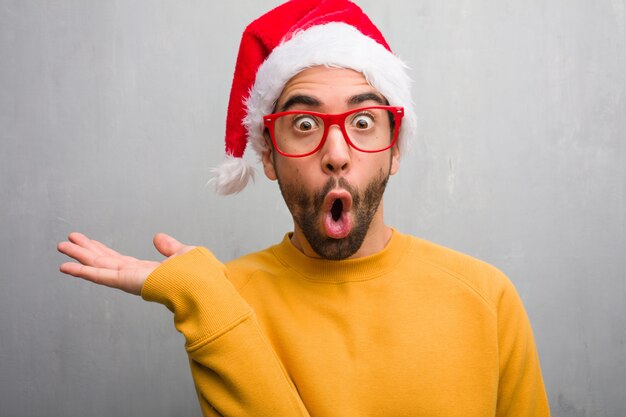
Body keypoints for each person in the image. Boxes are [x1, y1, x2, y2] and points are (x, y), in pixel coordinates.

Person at [57, 0, 550, 416]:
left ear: (395, 147)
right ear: (268, 154)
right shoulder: (223, 301)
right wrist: (204, 303)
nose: (336, 152)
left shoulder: (487, 298)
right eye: (305, 124)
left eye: (362, 121)